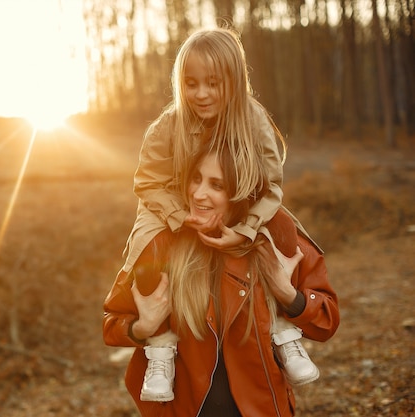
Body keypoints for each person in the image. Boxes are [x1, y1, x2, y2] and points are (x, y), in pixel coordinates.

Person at [121, 27, 321, 401]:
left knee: (279, 224)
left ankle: (282, 330)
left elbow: (272, 185)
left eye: (212, 83)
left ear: (234, 80)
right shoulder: (168, 125)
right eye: (191, 83)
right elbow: (147, 183)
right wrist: (179, 217)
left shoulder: (253, 117)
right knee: (146, 244)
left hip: (237, 207)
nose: (201, 94)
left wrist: (245, 230)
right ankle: (161, 346)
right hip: (174, 209)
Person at [103, 145, 340, 416]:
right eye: (196, 178)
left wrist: (289, 296)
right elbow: (111, 321)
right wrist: (142, 327)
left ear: (241, 192)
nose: (198, 193)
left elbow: (327, 323)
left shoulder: (276, 243)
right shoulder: (162, 244)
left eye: (216, 185)